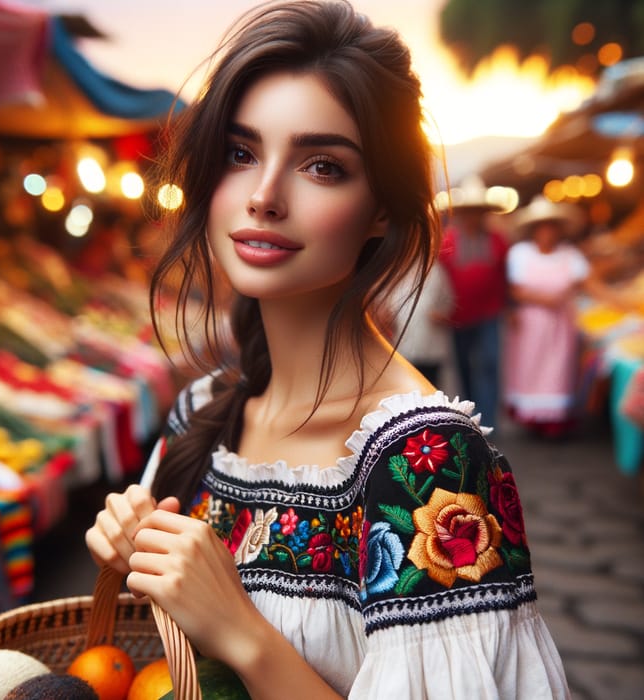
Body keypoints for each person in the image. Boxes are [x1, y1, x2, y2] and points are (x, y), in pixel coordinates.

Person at [85, 2, 570, 697]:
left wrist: (243, 633)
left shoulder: (421, 462)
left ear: (381, 208)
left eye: (321, 165)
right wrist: (140, 556)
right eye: (241, 153)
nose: (263, 195)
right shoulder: (200, 414)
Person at [504, 195, 605, 438]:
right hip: (532, 323)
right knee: (530, 366)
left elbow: (590, 284)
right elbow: (516, 289)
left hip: (561, 325)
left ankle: (555, 420)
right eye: (542, 227)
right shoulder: (520, 253)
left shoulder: (570, 255)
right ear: (534, 230)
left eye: (551, 226)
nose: (547, 232)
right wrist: (547, 300)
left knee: (558, 368)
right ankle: (533, 419)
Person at [437, 176, 511, 431]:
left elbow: (505, 275)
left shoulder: (498, 240)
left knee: (490, 362)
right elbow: (439, 279)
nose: (472, 217)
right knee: (464, 366)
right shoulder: (447, 242)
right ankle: (472, 417)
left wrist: (510, 307)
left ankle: (489, 418)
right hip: (458, 315)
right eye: (468, 212)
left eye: (478, 212)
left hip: (490, 313)